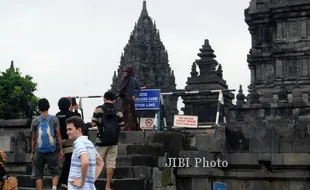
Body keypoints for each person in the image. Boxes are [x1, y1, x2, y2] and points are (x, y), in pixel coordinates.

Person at [91, 91, 124, 190]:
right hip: (114, 141)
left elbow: (93, 124)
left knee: (97, 163)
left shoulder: (98, 109)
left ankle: (91, 184)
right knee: (111, 164)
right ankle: (108, 186)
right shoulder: (118, 111)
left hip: (101, 140)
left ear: (104, 98)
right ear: (114, 100)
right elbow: (122, 127)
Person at [30, 98, 64, 190]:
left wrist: (32, 152)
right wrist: (61, 150)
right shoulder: (54, 119)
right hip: (52, 150)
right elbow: (58, 135)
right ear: (48, 107)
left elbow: (33, 138)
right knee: (55, 172)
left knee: (38, 174)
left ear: (38, 108)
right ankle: (53, 187)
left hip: (39, 151)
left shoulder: (35, 121)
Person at [66, 116, 104, 190]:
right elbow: (100, 163)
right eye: (67, 129)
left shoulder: (78, 143)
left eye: (70, 129)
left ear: (79, 129)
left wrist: (82, 182)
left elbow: (85, 162)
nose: (67, 132)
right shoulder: (89, 143)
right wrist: (91, 181)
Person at [56, 97, 81, 189]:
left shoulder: (57, 116)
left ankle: (64, 180)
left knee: (68, 160)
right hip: (71, 141)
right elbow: (79, 120)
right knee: (69, 161)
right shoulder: (72, 115)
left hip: (61, 141)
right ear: (69, 105)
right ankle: (64, 180)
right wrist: (76, 109)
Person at [119, 65, 141, 131]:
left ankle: (131, 129)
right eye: (124, 71)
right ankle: (124, 127)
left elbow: (139, 89)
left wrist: (135, 95)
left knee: (130, 115)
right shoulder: (123, 80)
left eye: (126, 71)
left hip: (130, 100)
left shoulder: (133, 81)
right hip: (124, 100)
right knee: (123, 114)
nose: (124, 73)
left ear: (129, 72)